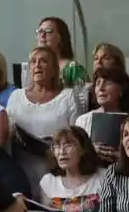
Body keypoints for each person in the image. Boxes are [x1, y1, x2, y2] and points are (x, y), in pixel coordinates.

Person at [7, 46, 77, 190]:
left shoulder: (68, 96)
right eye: (33, 62)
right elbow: (8, 131)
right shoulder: (16, 96)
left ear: (54, 68)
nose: (37, 66)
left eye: (43, 61)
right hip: (22, 162)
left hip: (55, 162)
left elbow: (77, 135)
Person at [35, 16, 89, 87]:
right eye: (40, 31)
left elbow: (84, 96)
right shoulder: (34, 67)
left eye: (48, 31)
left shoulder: (73, 69)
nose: (42, 35)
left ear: (61, 37)